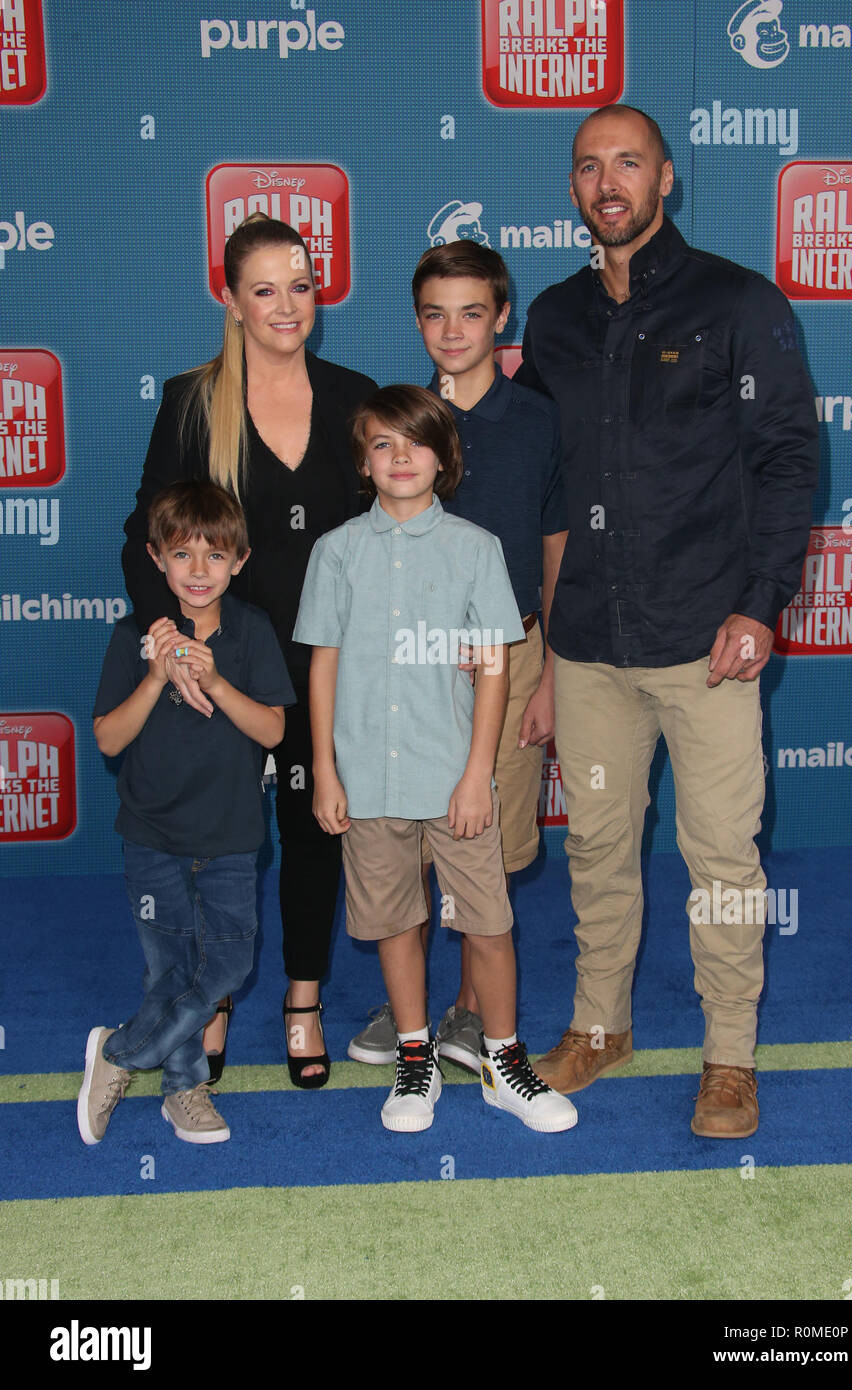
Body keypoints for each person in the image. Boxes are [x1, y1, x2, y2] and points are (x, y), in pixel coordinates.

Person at [515, 104, 818, 1137]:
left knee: (722, 858)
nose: (609, 181)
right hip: (592, 645)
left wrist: (760, 603)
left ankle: (728, 1055)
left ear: (666, 179)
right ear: (572, 189)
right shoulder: (551, 320)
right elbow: (541, 483)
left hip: (707, 644)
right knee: (596, 844)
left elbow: (788, 460)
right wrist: (542, 643)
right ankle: (600, 1025)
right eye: (589, 166)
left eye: (628, 163)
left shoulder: (738, 302)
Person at [121, 213, 376, 1087]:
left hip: (323, 668)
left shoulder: (354, 398)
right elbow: (142, 535)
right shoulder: (194, 401)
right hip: (217, 671)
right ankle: (216, 994)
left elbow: (388, 537)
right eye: (264, 289)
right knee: (221, 844)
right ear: (230, 300)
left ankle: (302, 1002)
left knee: (313, 831)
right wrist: (178, 644)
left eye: (301, 287)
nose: (286, 305)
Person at [295, 385, 577, 1134]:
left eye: (415, 443)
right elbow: (322, 663)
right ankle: (414, 1057)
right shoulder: (336, 553)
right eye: (382, 444)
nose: (399, 458)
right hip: (370, 779)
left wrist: (477, 773)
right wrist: (325, 768)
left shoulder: (476, 551)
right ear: (363, 460)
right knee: (395, 920)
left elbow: (494, 669)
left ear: (443, 458)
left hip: (455, 779)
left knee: (487, 923)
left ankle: (503, 1061)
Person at [347, 241, 568, 1073]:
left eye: (472, 311)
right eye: (435, 313)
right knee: (400, 847)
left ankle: (471, 1013)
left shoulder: (541, 420)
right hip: (406, 666)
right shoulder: (395, 418)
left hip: (506, 659)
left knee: (493, 846)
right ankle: (415, 1019)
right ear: (417, 320)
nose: (453, 329)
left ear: (501, 318)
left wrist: (552, 672)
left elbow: (555, 545)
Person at [80, 480, 294, 1145]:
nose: (199, 571)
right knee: (169, 971)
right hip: (153, 837)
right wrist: (155, 675)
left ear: (240, 560)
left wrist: (215, 681)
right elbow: (109, 738)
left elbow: (273, 732)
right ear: (156, 559)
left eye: (215, 555)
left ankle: (119, 1053)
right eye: (182, 555)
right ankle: (184, 1087)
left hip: (231, 837)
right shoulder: (134, 637)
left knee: (229, 966)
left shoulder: (253, 632)